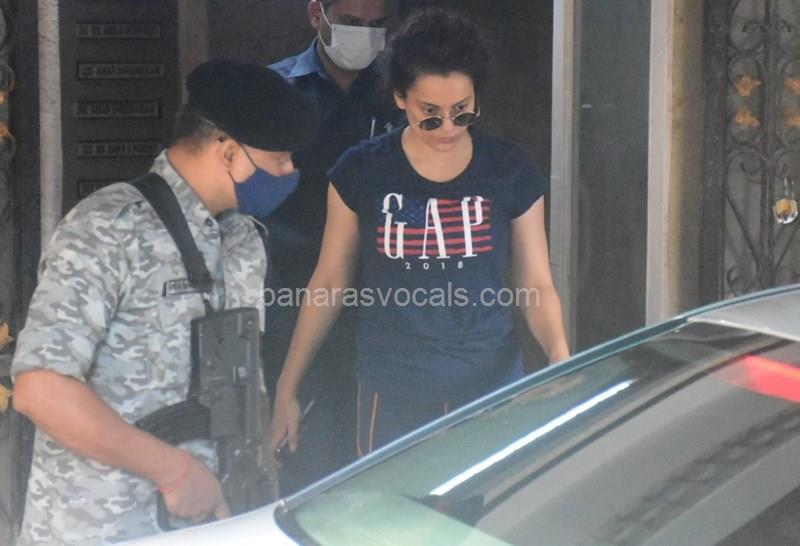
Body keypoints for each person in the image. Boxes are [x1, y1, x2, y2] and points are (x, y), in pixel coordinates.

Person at [10, 60, 316, 545]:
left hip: (215, 523)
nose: (289, 172)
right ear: (229, 152)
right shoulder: (107, 228)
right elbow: (40, 389)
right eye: (280, 159)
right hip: (105, 528)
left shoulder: (242, 238)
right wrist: (173, 472)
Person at [270, 8, 570, 458]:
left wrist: (560, 357)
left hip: (490, 385)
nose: (447, 128)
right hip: (393, 387)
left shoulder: (509, 171)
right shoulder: (361, 170)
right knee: (393, 503)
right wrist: (287, 383)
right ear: (399, 98)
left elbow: (536, 284)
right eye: (429, 114)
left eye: (462, 112)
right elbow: (330, 281)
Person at [264, 0, 399, 492]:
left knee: (379, 459)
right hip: (290, 294)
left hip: (384, 300)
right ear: (315, 15)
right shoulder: (275, 92)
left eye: (376, 25)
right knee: (305, 453)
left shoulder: (400, 94)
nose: (364, 34)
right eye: (351, 23)